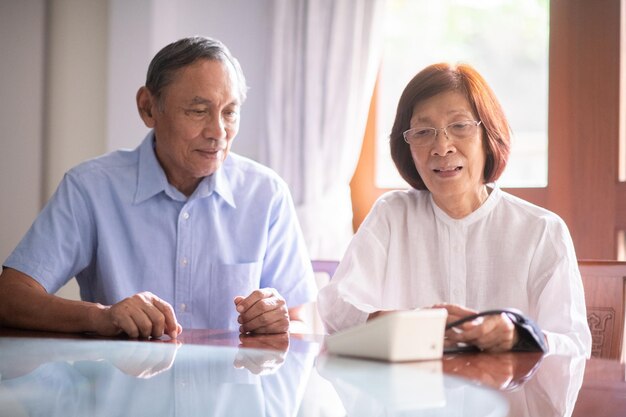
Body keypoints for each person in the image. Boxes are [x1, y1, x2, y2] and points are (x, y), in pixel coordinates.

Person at [0, 36, 317, 339]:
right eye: (198, 110)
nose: (218, 131)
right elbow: (10, 297)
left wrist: (282, 323)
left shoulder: (267, 194)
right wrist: (102, 317)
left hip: (228, 393)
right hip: (122, 391)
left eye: (230, 112)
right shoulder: (90, 188)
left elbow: (304, 322)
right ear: (148, 107)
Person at [318, 63, 591, 356]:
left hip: (509, 397)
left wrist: (519, 336)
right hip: (408, 395)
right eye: (423, 131)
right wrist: (389, 323)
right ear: (407, 145)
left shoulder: (541, 230)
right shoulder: (392, 215)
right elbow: (336, 306)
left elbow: (574, 345)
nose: (442, 147)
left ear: (489, 136)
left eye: (459, 126)